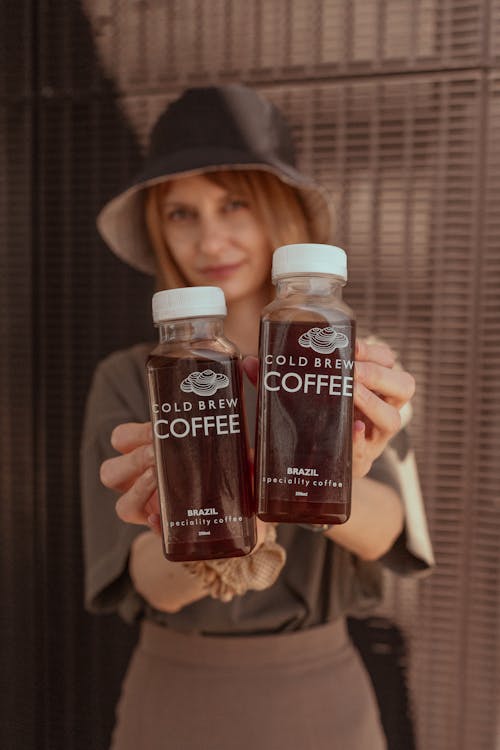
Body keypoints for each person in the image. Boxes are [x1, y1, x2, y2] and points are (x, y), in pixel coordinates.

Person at [81, 84, 434, 750]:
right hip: (175, 698)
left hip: (323, 699)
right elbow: (155, 587)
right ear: (160, 231)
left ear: (281, 215)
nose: (210, 237)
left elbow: (392, 534)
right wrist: (221, 507)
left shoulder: (350, 362)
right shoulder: (133, 378)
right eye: (181, 214)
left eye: (234, 203)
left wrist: (339, 470)